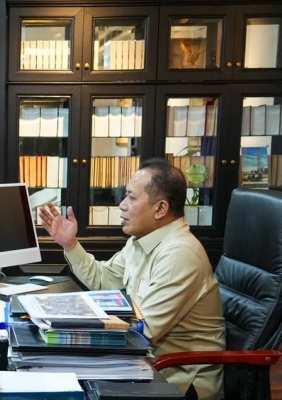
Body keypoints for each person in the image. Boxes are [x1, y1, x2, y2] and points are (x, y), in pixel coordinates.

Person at [37, 158, 225, 400]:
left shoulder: (179, 253)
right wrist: (70, 244)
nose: (122, 205)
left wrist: (74, 323)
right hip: (142, 362)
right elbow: (103, 278)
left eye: (131, 198)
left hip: (176, 378)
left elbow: (144, 331)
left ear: (160, 208)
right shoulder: (141, 241)